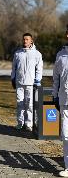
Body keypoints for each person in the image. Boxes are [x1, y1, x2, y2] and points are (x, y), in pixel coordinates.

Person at [11, 33, 43, 132]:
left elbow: (39, 68)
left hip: (30, 83)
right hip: (19, 82)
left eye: (27, 39)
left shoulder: (37, 54)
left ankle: (29, 124)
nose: (25, 41)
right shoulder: (18, 53)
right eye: (24, 39)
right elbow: (14, 68)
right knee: (20, 103)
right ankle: (20, 123)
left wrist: (37, 80)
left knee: (29, 104)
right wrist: (13, 78)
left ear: (31, 41)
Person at [53, 24, 68, 177]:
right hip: (65, 100)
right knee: (66, 135)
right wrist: (55, 96)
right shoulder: (61, 55)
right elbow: (56, 77)